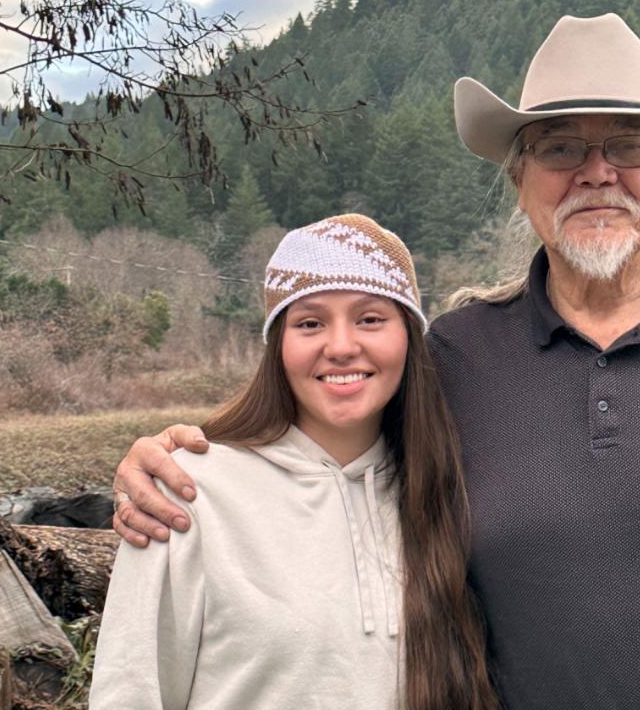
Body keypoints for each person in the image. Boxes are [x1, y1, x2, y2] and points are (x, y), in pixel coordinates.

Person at [110, 15, 640, 710]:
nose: (597, 172)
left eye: (631, 145)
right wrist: (177, 460)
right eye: (560, 146)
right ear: (521, 179)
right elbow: (328, 428)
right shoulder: (457, 358)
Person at [91, 214, 499, 710]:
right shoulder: (187, 492)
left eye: (371, 318)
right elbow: (130, 692)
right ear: (278, 345)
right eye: (309, 323)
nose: (342, 346)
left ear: (409, 337)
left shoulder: (449, 487)